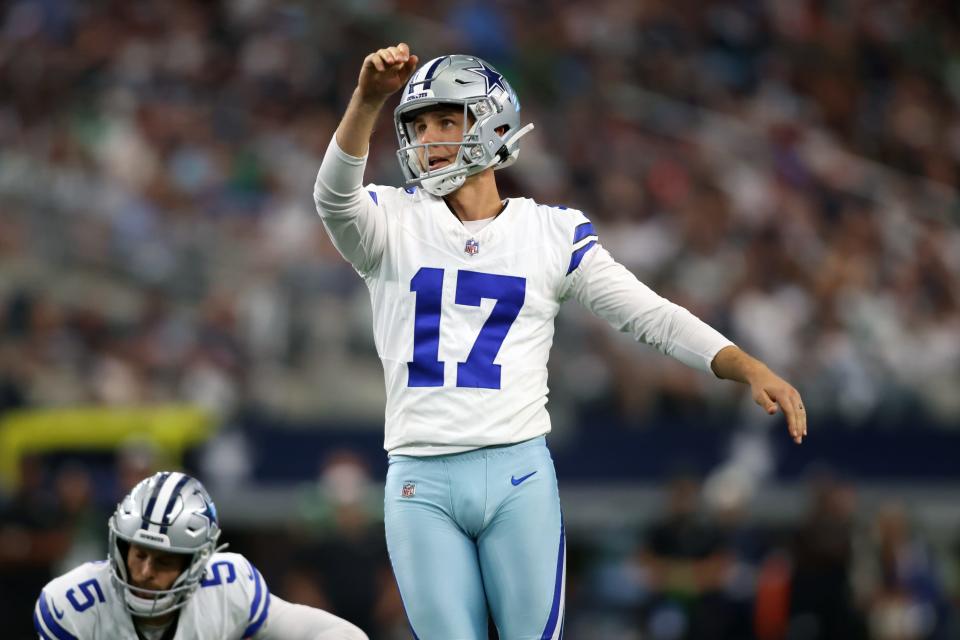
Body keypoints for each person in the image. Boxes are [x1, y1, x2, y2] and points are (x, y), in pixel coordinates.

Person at [313, 42, 807, 640]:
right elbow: (332, 197)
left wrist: (745, 364)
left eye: (446, 120)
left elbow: (648, 314)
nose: (429, 138)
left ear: (492, 123)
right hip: (420, 479)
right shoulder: (390, 220)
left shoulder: (549, 232)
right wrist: (367, 100)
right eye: (418, 125)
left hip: (517, 472)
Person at [33, 471, 368, 640]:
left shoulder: (227, 585)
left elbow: (335, 634)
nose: (145, 572)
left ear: (197, 563)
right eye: (138, 554)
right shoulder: (72, 605)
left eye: (164, 560)